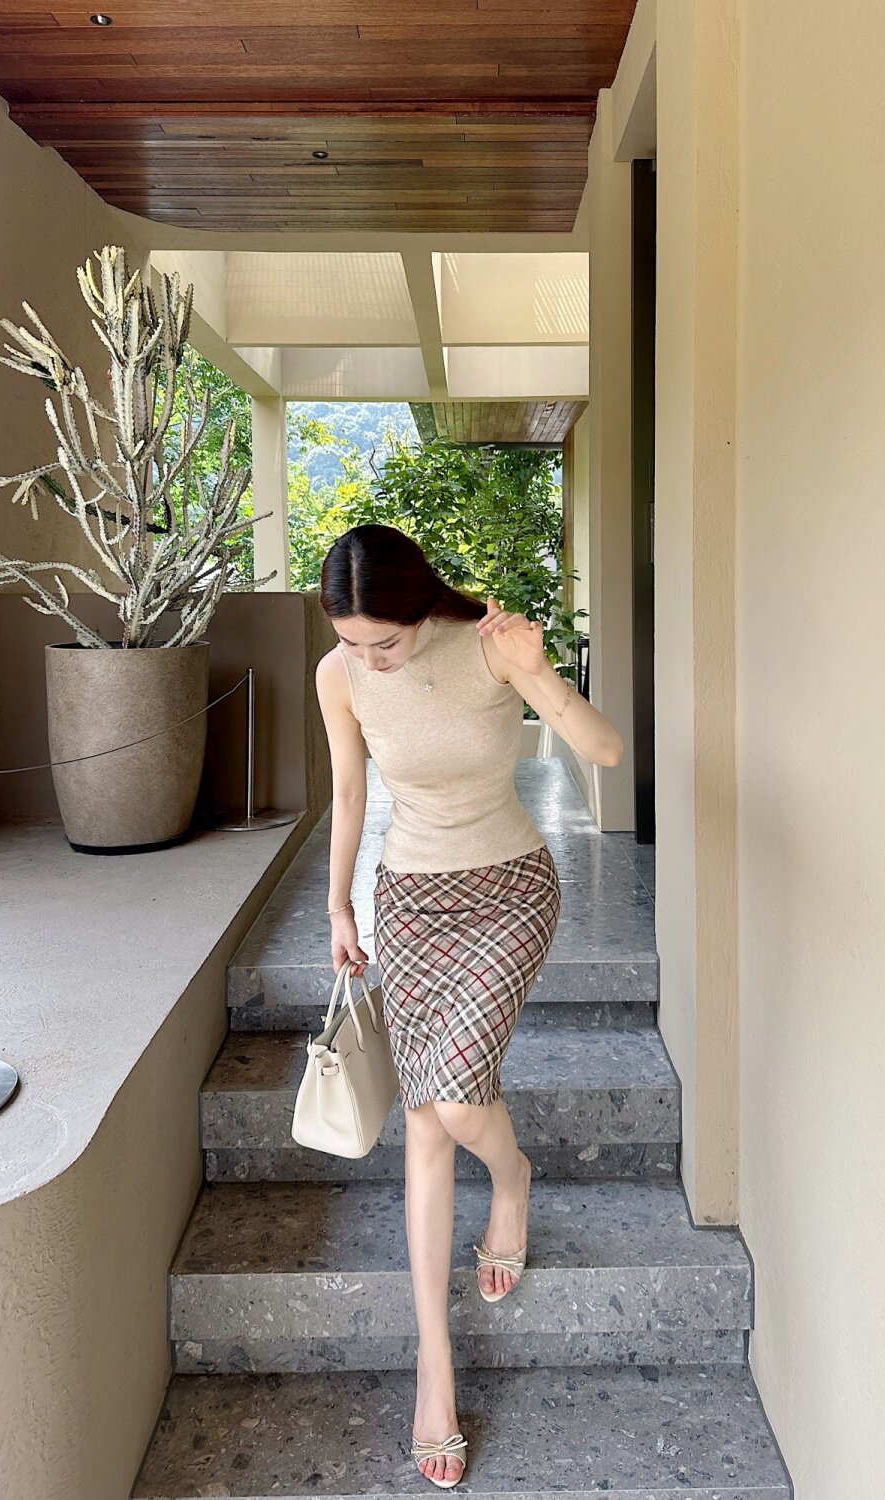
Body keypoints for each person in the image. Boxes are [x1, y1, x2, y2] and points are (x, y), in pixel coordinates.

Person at [313, 524, 625, 1489]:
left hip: (510, 889)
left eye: (384, 642)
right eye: (352, 642)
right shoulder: (339, 674)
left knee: (453, 1100)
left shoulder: (491, 645)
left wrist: (539, 672)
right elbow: (351, 792)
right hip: (410, 900)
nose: (369, 659)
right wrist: (339, 905)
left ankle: (514, 1176)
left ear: (419, 608)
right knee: (424, 1124)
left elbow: (606, 749)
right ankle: (434, 1367)